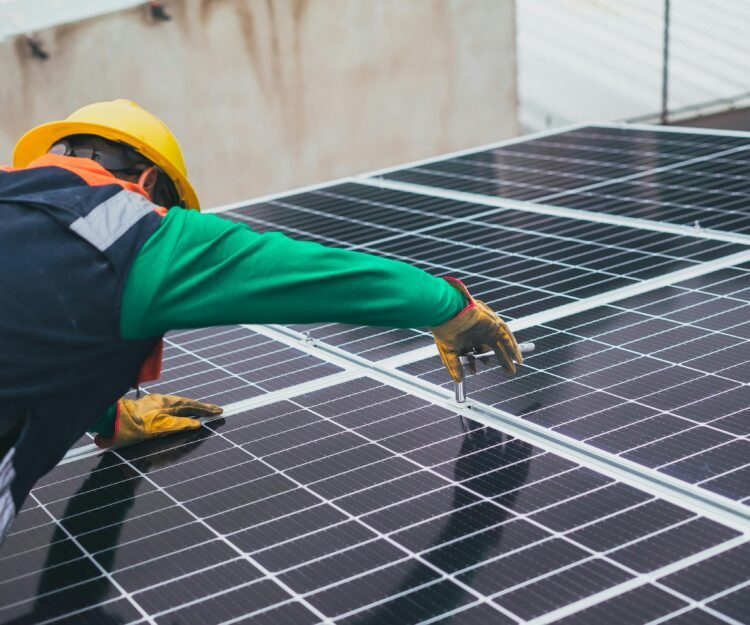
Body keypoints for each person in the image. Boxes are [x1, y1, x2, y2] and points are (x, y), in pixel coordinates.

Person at [0, 99, 523, 541]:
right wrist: (452, 309)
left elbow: (35, 316)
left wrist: (107, 416)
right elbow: (326, 276)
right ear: (149, 181)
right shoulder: (138, 235)